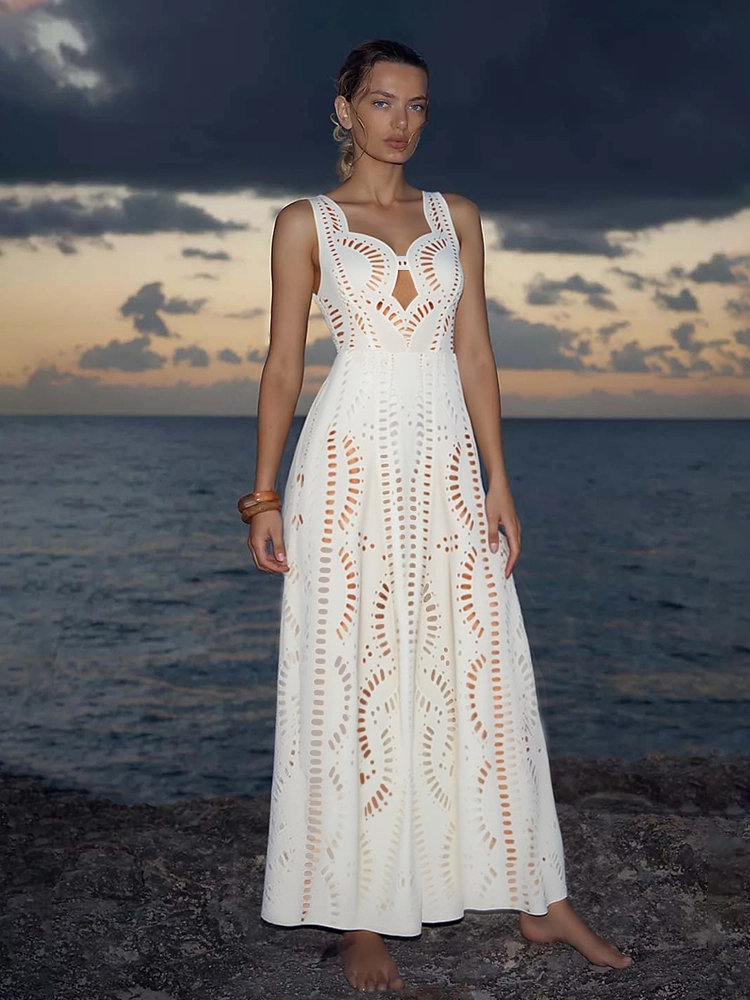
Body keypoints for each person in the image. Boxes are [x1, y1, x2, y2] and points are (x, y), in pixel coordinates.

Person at [241, 38, 633, 995]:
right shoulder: (307, 224)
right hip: (345, 463)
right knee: (361, 670)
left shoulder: (458, 216)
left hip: (448, 461)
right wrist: (261, 493)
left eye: (417, 107)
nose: (401, 124)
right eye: (382, 104)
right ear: (345, 110)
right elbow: (285, 366)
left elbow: (477, 357)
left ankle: (537, 893)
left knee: (483, 658)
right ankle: (365, 912)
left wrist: (501, 481)